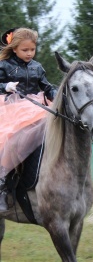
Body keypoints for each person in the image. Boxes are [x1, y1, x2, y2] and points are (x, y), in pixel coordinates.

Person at [0, 27, 57, 211]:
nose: (29, 53)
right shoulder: (4, 65)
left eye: (32, 49)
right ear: (15, 48)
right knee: (10, 138)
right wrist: (5, 85)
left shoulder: (37, 67)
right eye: (25, 50)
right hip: (11, 107)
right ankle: (2, 184)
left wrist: (57, 96)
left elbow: (47, 87)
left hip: (36, 107)